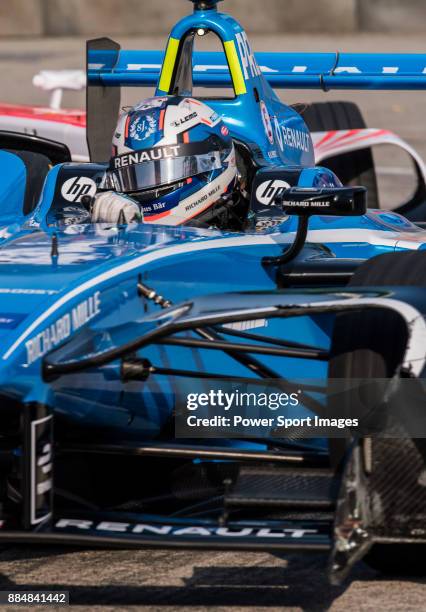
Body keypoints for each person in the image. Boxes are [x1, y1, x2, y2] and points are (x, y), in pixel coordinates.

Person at [89, 96, 250, 230]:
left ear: (213, 162)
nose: (145, 185)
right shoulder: (122, 216)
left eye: (161, 172)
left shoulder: (257, 231)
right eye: (134, 176)